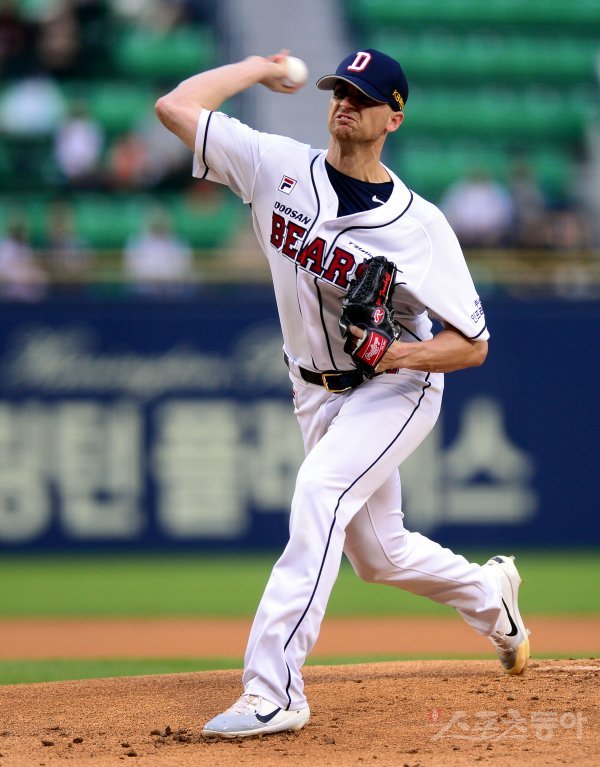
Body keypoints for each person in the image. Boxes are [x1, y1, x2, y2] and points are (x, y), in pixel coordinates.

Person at [155, 48, 531, 739]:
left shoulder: (421, 227)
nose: (345, 104)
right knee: (379, 555)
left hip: (396, 386)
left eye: (362, 96)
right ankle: (489, 593)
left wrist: (400, 353)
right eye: (339, 91)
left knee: (319, 491)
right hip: (312, 391)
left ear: (394, 118)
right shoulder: (276, 167)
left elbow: (473, 345)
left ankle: (274, 689)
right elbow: (176, 107)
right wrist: (257, 66)